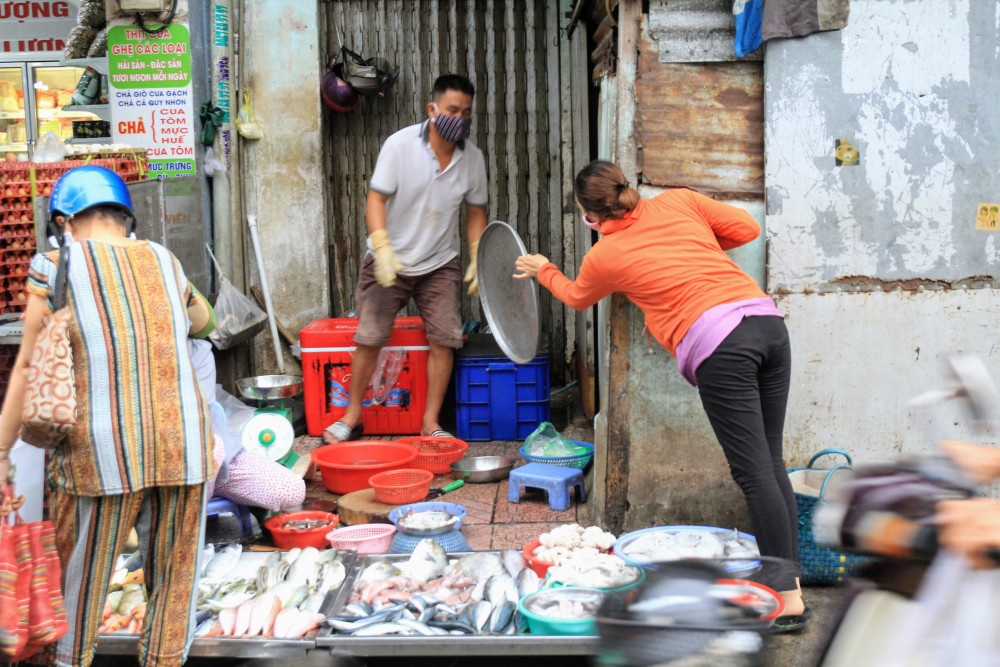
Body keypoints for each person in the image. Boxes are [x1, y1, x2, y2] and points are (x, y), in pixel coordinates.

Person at [514, 160, 806, 630]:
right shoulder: (679, 200)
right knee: (770, 463)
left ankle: (786, 597)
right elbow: (746, 228)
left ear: (591, 215)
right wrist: (700, 248)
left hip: (723, 346)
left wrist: (542, 267)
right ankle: (789, 580)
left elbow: (575, 296)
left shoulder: (605, 256)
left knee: (754, 473)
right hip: (767, 325)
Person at [0, 166, 215, 667]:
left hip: (101, 458)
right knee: (173, 591)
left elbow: (28, 367)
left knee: (80, 591)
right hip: (184, 448)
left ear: (62, 220)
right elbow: (203, 321)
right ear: (125, 216)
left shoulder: (53, 265)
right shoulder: (163, 258)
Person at [323, 73, 488, 444]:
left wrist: (478, 254)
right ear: (432, 109)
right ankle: (350, 418)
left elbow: (476, 212)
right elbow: (376, 199)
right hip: (389, 260)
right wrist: (381, 246)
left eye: (466, 112)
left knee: (445, 340)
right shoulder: (399, 146)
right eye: (451, 110)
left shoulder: (473, 159)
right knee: (369, 338)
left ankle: (430, 423)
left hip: (440, 262)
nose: (459, 119)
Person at [188, 338, 306, 512]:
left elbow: (199, 420)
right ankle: (186, 523)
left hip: (216, 458)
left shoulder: (198, 352)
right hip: (168, 468)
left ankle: (206, 493)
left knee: (291, 490)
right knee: (212, 448)